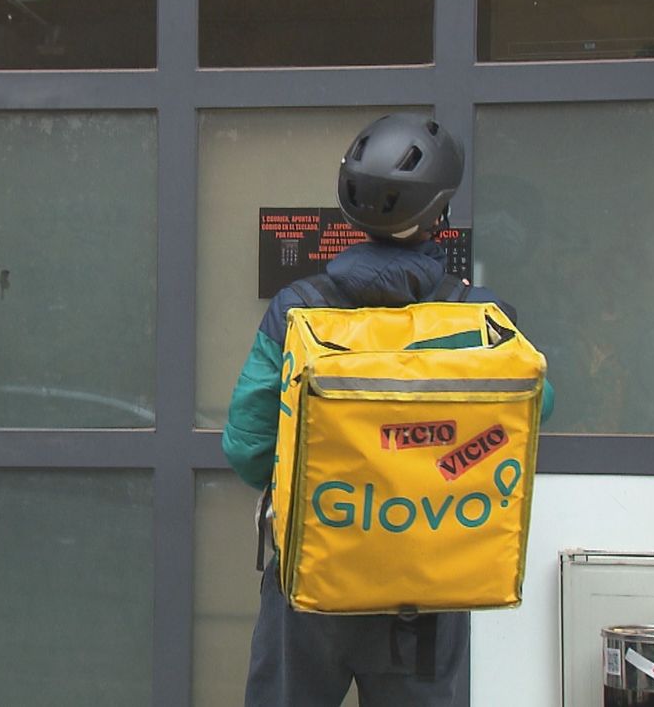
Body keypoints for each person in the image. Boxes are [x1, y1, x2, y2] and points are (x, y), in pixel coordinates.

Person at [222, 113, 551, 706]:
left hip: (313, 576)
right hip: (426, 587)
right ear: (440, 214)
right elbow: (533, 411)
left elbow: (246, 449)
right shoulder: (482, 322)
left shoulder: (299, 312)